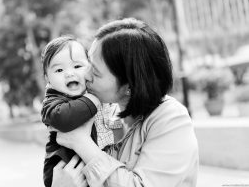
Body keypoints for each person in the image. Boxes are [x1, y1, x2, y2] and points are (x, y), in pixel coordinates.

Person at [53, 18, 199, 187]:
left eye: (96, 72)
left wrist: (80, 142)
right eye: (88, 63)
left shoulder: (171, 119)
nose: (85, 75)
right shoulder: (102, 114)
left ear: (129, 85)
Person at [41, 36, 122, 187]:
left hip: (89, 166)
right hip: (63, 168)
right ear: (48, 78)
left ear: (89, 68)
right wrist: (93, 100)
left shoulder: (95, 92)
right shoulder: (52, 101)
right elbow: (62, 118)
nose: (69, 73)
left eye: (77, 66)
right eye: (59, 70)